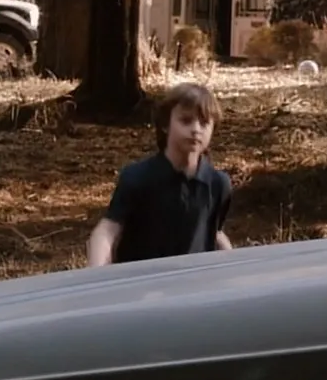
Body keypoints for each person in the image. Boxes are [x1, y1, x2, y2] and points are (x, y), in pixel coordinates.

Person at [86, 82, 235, 266]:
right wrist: (98, 272)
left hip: (193, 281)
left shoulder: (218, 184)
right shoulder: (137, 177)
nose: (196, 129)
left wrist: (234, 270)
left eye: (204, 123)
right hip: (142, 280)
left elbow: (215, 233)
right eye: (186, 120)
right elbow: (108, 230)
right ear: (165, 125)